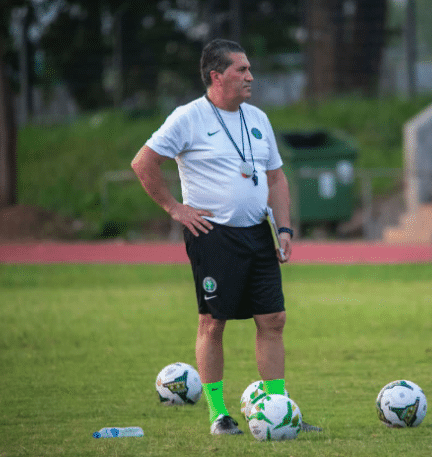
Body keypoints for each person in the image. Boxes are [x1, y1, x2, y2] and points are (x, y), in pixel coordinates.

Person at [131, 38, 321, 435]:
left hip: (258, 234)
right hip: (213, 237)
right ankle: (219, 415)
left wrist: (283, 228)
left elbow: (275, 178)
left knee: (274, 319)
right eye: (242, 69)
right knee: (213, 323)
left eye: (250, 68)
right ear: (216, 76)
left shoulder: (257, 118)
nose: (251, 76)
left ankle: (279, 410)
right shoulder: (188, 118)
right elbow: (143, 162)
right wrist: (175, 208)